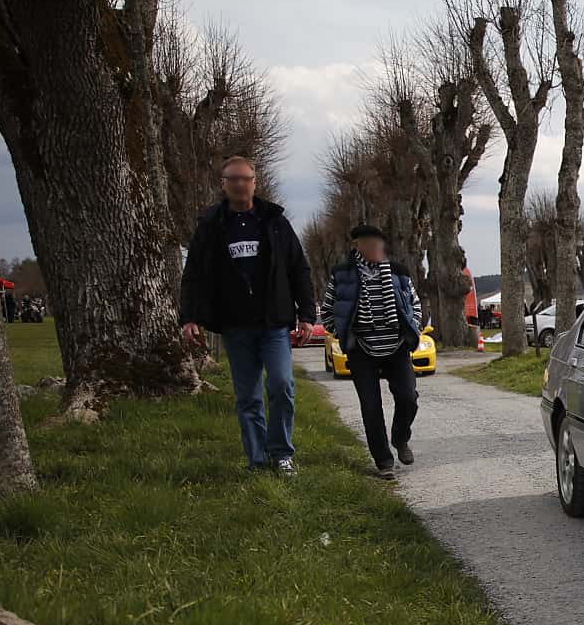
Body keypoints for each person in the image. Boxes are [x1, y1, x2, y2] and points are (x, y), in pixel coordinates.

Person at [177, 155, 314, 475]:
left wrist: (306, 314)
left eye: (245, 178)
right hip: (235, 325)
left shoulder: (274, 222)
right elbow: (193, 273)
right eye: (233, 179)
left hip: (273, 324)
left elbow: (299, 268)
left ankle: (281, 453)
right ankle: (257, 459)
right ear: (223, 184)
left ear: (254, 182)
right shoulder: (211, 225)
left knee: (281, 385)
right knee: (248, 396)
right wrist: (189, 317)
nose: (240, 184)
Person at [327, 224, 421, 481]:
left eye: (378, 243)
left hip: (396, 346)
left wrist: (412, 329)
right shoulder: (341, 275)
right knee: (371, 406)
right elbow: (328, 312)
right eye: (369, 242)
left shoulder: (399, 273)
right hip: (362, 350)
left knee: (408, 397)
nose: (375, 247)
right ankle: (384, 461)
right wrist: (345, 333)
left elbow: (414, 305)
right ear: (356, 244)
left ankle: (401, 438)